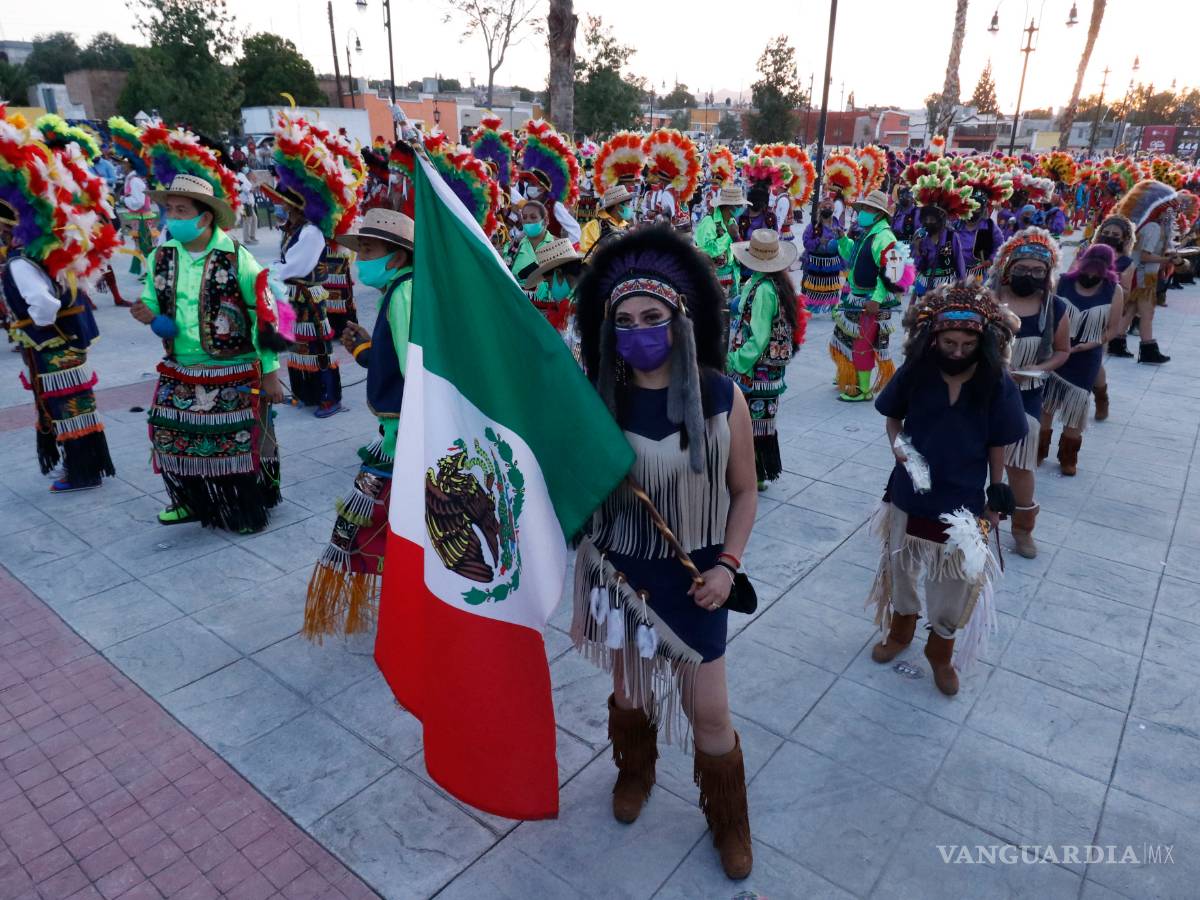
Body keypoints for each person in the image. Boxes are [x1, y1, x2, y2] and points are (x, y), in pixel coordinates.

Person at [572, 226, 758, 880]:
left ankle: (728, 816)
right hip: (619, 575)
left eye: (652, 317)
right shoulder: (596, 400)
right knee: (629, 692)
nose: (638, 330)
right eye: (623, 321)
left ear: (681, 318)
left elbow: (744, 491)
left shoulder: (720, 395)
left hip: (697, 580)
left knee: (709, 708)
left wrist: (726, 567)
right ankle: (635, 770)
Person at [866, 282, 1025, 696]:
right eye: (949, 342)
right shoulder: (916, 371)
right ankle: (900, 631)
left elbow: (998, 441)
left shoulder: (995, 381)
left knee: (954, 582)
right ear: (932, 337)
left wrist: (997, 490)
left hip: (963, 501)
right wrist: (901, 451)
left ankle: (940, 650)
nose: (956, 351)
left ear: (983, 341)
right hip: (909, 491)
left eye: (967, 343)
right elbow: (892, 420)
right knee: (901, 568)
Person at [129, 174, 288, 532]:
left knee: (237, 446)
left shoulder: (237, 258)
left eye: (181, 210)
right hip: (180, 367)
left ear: (205, 217)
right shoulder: (162, 255)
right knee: (172, 437)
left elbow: (264, 315)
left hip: (233, 367)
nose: (172, 217)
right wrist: (148, 314)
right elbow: (153, 299)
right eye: (169, 209)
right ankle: (191, 501)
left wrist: (270, 372)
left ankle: (247, 507)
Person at [306, 210, 414, 638]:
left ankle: (410, 605)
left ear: (396, 256)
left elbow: (416, 369)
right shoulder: (401, 289)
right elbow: (397, 362)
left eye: (368, 250)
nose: (360, 258)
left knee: (369, 522)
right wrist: (366, 351)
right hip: (396, 433)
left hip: (404, 437)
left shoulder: (405, 293)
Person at [0, 163, 117, 493]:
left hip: (51, 346)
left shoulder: (21, 262)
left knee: (66, 408)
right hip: (66, 344)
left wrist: (38, 325)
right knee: (78, 408)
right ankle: (88, 464)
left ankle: (82, 471)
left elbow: (44, 305)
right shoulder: (46, 253)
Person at [990, 228, 1070, 559]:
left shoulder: (1056, 308)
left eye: (1038, 270)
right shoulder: (988, 299)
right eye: (1022, 269)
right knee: (968, 458)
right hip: (982, 393)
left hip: (1025, 396)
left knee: (1020, 467)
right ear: (1008, 269)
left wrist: (1037, 370)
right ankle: (970, 520)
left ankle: (1023, 529)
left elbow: (1063, 351)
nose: (1030, 275)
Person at [727, 229, 806, 488]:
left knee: (750, 421)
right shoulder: (768, 283)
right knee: (759, 422)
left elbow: (759, 337)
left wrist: (736, 360)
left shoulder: (764, 290)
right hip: (766, 369)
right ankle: (756, 472)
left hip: (756, 367)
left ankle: (752, 474)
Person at [1040, 244, 1123, 476]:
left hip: (1087, 357)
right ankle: (1038, 450)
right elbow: (1046, 315)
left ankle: (1068, 458)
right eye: (1088, 271)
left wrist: (1093, 343)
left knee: (1075, 409)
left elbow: (1113, 329)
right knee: (1046, 404)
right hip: (1056, 353)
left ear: (1107, 270)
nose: (1091, 276)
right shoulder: (1063, 281)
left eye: (1097, 273)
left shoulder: (1114, 291)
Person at [831, 189, 911, 402]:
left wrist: (876, 299)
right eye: (862, 208)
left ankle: (863, 389)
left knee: (862, 344)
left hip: (871, 301)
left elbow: (890, 273)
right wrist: (841, 239)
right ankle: (849, 377)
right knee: (847, 339)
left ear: (878, 213)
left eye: (866, 209)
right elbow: (853, 256)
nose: (862, 213)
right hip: (858, 298)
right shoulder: (867, 232)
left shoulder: (884, 237)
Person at [1118, 180, 1177, 365]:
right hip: (1143, 275)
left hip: (1141, 274)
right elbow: (1144, 256)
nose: (1173, 214)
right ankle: (1148, 350)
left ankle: (1116, 343)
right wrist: (1166, 260)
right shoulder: (1153, 228)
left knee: (1131, 310)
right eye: (1170, 210)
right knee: (1147, 313)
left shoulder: (1152, 227)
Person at [521, 237, 583, 342]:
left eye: (549, 282)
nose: (549, 288)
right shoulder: (573, 301)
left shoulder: (588, 301)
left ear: (559, 273)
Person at [692, 184, 745, 297]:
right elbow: (706, 250)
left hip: (733, 276)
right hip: (714, 281)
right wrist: (729, 236)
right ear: (729, 206)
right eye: (739, 205)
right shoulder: (708, 222)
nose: (741, 208)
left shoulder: (732, 221)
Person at [800, 198, 845, 315]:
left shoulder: (837, 224)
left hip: (832, 263)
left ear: (833, 210)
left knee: (833, 287)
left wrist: (842, 237)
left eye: (830, 207)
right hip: (815, 263)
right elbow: (806, 243)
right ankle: (806, 308)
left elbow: (843, 243)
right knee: (810, 287)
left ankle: (832, 308)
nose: (827, 209)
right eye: (825, 207)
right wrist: (819, 241)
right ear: (820, 209)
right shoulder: (813, 226)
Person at [121, 156, 156, 280]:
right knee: (142, 245)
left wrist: (124, 199)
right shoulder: (134, 179)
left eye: (124, 163)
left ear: (131, 165)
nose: (122, 165)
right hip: (139, 218)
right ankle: (150, 272)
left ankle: (152, 273)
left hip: (142, 219)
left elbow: (139, 201)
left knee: (146, 245)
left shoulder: (134, 180)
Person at [579, 184, 633, 260]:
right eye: (628, 204)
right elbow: (585, 256)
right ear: (617, 206)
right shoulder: (594, 226)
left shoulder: (625, 226)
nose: (630, 208)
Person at [235, 165, 258, 245]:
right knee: (247, 220)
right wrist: (251, 190)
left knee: (254, 219)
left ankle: (252, 236)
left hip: (248, 202)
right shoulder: (240, 177)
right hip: (245, 202)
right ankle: (246, 239)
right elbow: (244, 188)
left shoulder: (244, 177)